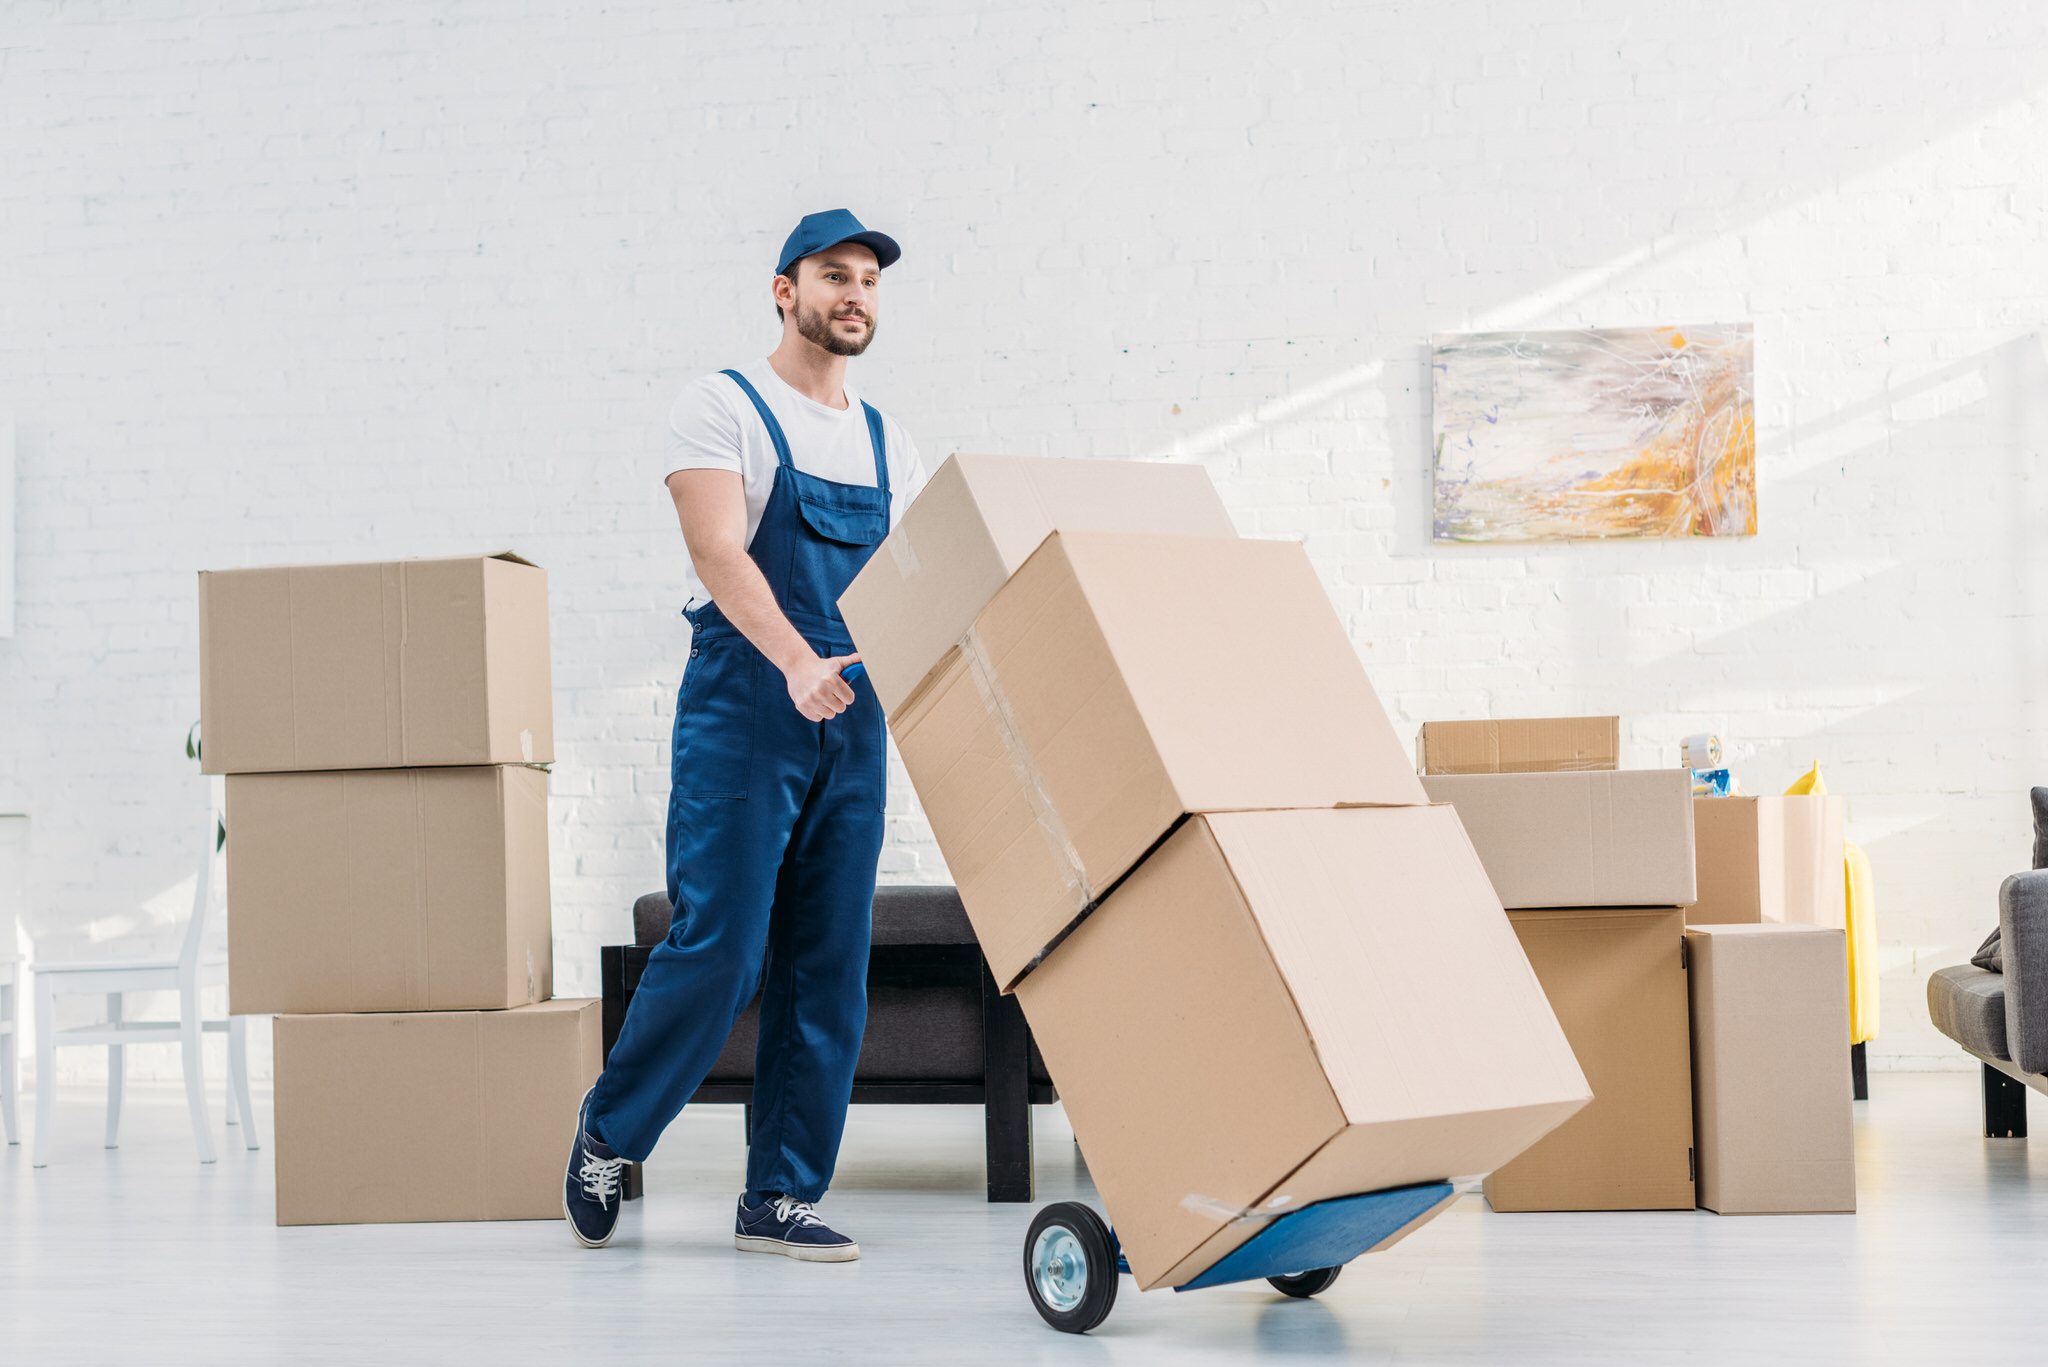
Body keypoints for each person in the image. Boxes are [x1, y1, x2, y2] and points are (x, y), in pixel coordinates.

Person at [563, 210, 926, 1261]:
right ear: (784, 289)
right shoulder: (721, 403)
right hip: (748, 699)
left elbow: (900, 582)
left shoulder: (884, 438)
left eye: (866, 279)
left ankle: (778, 1195)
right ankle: (608, 1129)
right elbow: (718, 549)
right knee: (721, 946)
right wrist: (792, 660)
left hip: (850, 712)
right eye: (832, 275)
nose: (853, 293)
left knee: (828, 960)